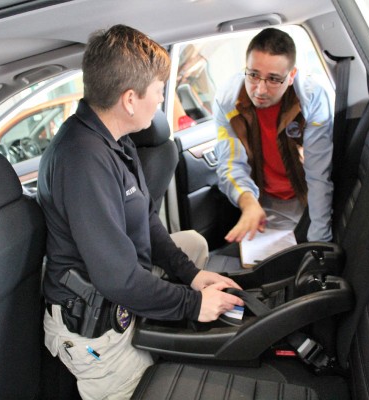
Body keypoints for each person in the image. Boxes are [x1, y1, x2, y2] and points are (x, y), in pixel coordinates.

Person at [37, 24, 244, 400]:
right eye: (160, 91)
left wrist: (193, 276)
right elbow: (117, 280)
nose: (163, 99)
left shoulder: (117, 140)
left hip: (121, 286)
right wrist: (193, 305)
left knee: (193, 245)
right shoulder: (81, 159)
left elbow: (147, 220)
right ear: (130, 99)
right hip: (96, 326)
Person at [214, 28, 334, 244]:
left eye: (273, 79)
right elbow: (230, 164)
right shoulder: (227, 101)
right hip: (265, 200)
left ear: (291, 76)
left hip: (306, 198)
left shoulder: (312, 99)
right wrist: (249, 202)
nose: (260, 89)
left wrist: (320, 242)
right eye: (253, 75)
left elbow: (318, 175)